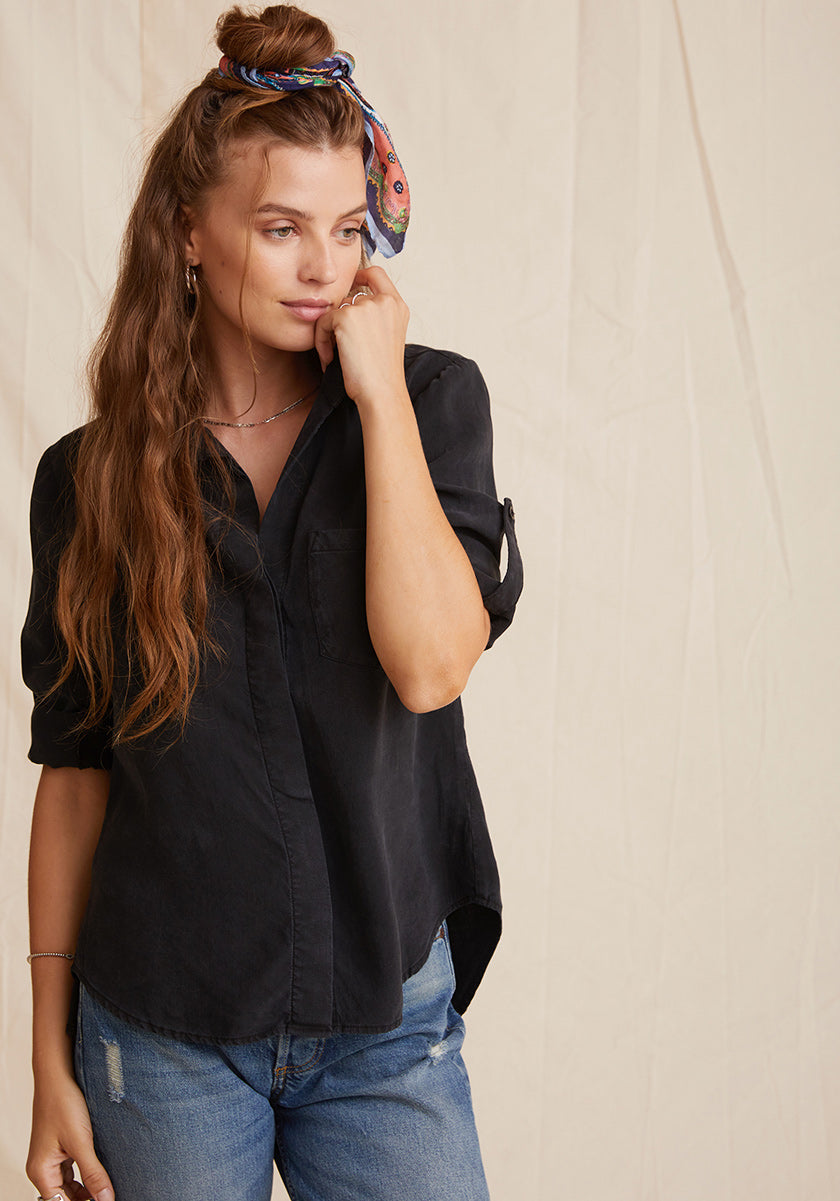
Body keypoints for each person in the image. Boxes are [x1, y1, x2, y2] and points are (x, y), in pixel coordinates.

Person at [21, 5, 522, 1200]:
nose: (324, 267)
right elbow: (77, 771)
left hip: (387, 1020)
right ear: (188, 234)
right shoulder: (89, 477)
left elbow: (431, 664)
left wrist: (382, 396)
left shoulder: (431, 405)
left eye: (348, 230)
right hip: (165, 1037)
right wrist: (46, 1057)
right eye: (282, 227)